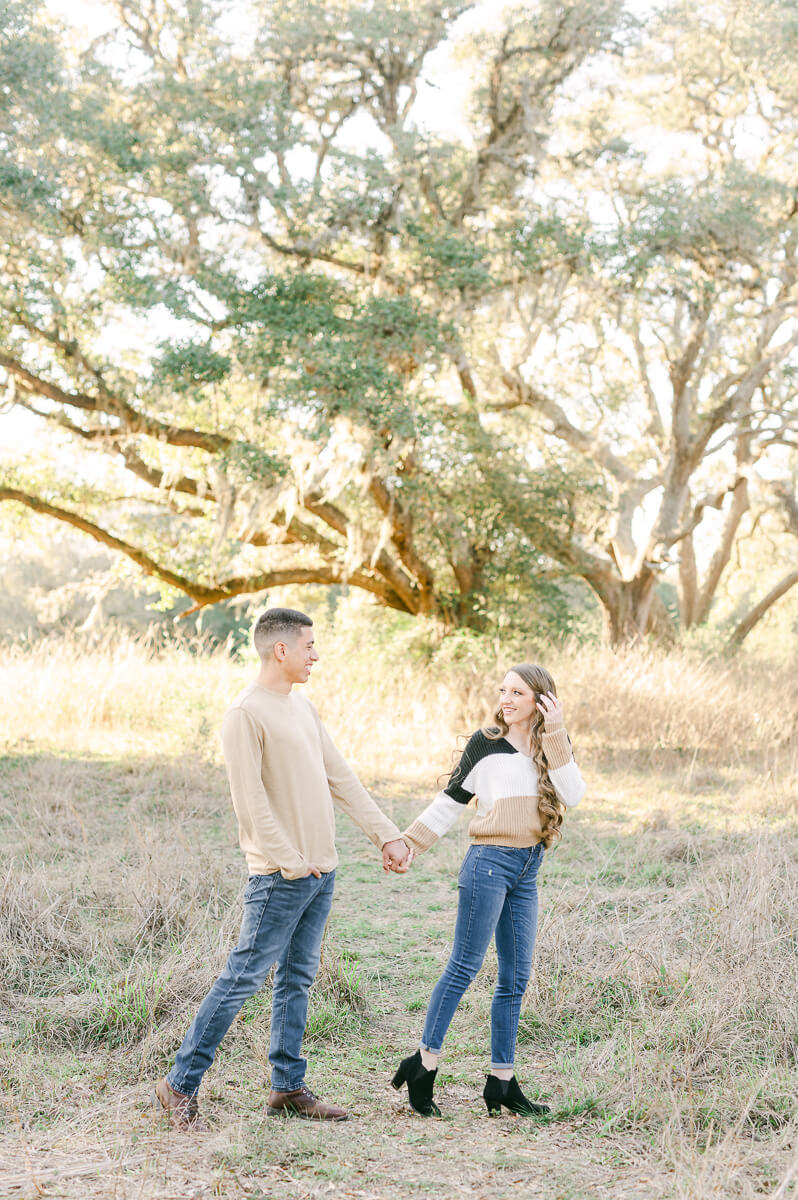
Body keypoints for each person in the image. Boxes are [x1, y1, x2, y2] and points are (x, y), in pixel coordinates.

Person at [153, 607, 412, 1130]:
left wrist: (386, 833)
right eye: (310, 645)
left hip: (321, 873)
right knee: (242, 979)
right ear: (282, 650)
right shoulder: (245, 713)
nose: (316, 655)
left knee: (297, 979)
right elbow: (250, 804)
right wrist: (293, 865)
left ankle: (287, 1086)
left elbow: (341, 777)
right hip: (280, 877)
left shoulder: (303, 708)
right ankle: (179, 1084)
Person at [390, 662, 585, 1118]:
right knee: (464, 966)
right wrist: (408, 843)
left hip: (527, 867)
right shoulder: (486, 744)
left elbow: (573, 795)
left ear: (542, 700)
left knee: (515, 979)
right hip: (488, 864)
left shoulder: (552, 745)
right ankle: (424, 1064)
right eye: (503, 691)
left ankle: (502, 1081)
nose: (506, 699)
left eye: (517, 692)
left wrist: (554, 734)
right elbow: (450, 802)